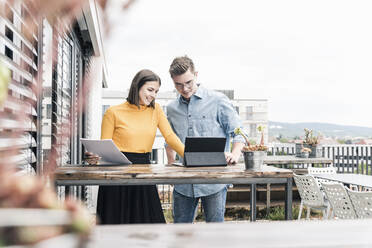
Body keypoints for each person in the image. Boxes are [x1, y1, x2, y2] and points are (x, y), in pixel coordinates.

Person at [86, 69, 184, 224]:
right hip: (115, 173)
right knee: (115, 225)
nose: (153, 95)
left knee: (150, 226)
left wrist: (190, 156)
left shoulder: (156, 109)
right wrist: (95, 157)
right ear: (137, 86)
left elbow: (170, 137)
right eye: (150, 90)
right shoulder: (113, 112)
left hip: (143, 171)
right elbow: (104, 146)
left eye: (156, 91)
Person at [166, 55, 245, 223]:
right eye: (178, 85)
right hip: (183, 182)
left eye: (188, 82)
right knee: (181, 231)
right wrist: (171, 166)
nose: (185, 89)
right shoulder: (172, 108)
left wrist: (235, 153)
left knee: (215, 233)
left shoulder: (218, 100)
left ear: (196, 74)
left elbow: (237, 131)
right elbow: (169, 139)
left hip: (214, 181)